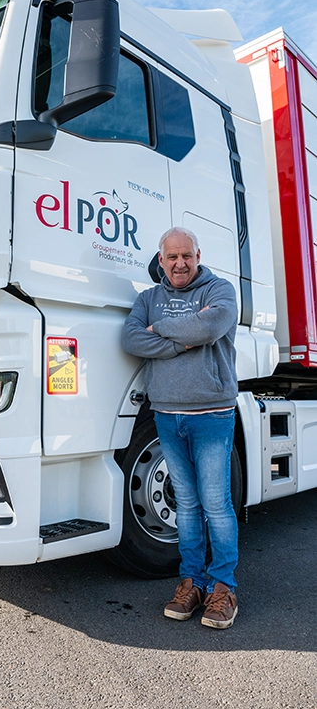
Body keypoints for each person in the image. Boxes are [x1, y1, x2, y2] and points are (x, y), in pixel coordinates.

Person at [122, 227, 239, 629]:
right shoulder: (147, 298)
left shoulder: (219, 290)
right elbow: (132, 339)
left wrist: (165, 330)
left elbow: (209, 328)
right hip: (167, 415)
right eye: (171, 257)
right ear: (161, 259)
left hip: (212, 413)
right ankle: (192, 582)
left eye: (186, 256)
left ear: (198, 255)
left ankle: (223, 588)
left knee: (216, 504)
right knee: (186, 505)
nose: (180, 264)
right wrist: (182, 339)